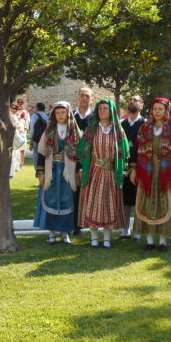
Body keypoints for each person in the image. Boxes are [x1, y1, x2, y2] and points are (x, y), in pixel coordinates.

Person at [130, 98, 171, 252]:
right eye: (154, 108)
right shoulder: (145, 128)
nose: (157, 111)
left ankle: (162, 242)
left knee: (165, 205)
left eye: (160, 109)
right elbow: (135, 149)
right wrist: (133, 169)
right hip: (146, 173)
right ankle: (149, 241)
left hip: (167, 174)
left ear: (166, 110)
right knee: (146, 206)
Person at [76, 99, 128, 248]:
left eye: (105, 108)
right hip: (94, 171)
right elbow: (83, 150)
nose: (103, 111)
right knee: (92, 203)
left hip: (111, 173)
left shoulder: (118, 131)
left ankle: (106, 238)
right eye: (100, 109)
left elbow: (124, 152)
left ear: (111, 111)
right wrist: (84, 167)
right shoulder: (91, 130)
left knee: (108, 204)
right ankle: (93, 237)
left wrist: (118, 168)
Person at [33, 101, 81, 244]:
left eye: (63, 112)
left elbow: (79, 153)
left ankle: (65, 233)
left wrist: (78, 171)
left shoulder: (74, 132)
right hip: (51, 170)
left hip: (68, 170)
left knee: (67, 200)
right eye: (57, 113)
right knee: (50, 199)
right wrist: (41, 172)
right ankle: (52, 233)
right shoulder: (48, 131)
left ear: (68, 114)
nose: (60, 115)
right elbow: (42, 153)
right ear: (54, 114)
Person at [120, 94, 145, 240]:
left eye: (136, 100)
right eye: (130, 100)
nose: (132, 102)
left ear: (141, 105)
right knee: (125, 199)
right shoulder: (121, 124)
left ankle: (138, 231)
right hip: (124, 166)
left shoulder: (146, 124)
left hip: (141, 166)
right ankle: (125, 230)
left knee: (139, 199)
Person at [72, 87, 94, 235]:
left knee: (87, 193)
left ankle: (87, 221)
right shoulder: (70, 116)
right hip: (71, 160)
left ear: (91, 98)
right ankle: (74, 225)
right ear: (78, 97)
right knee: (73, 193)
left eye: (87, 96)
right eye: (82, 95)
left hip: (90, 161)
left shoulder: (95, 117)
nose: (84, 98)